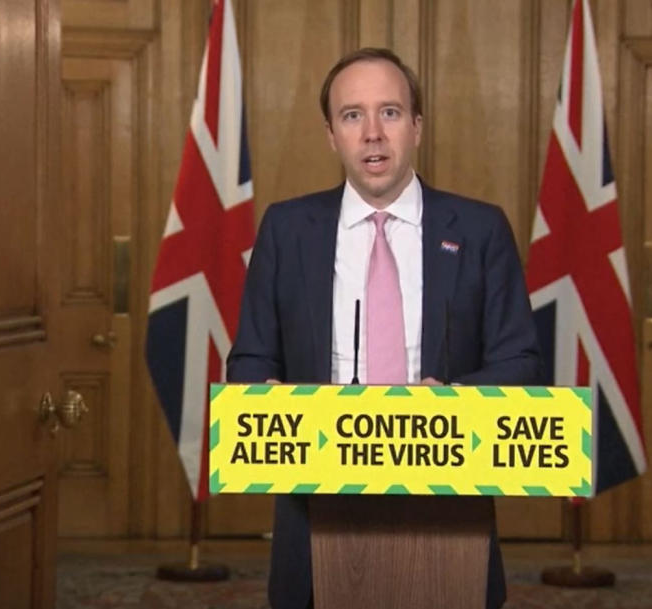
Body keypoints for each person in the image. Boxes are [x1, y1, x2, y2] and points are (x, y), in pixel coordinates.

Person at [226, 47, 544, 609]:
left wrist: (453, 401)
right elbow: (250, 361)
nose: (373, 133)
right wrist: (272, 402)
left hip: (447, 512)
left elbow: (520, 360)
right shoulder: (286, 229)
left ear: (417, 126)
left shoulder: (479, 229)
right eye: (353, 116)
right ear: (331, 134)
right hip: (316, 510)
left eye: (390, 113)